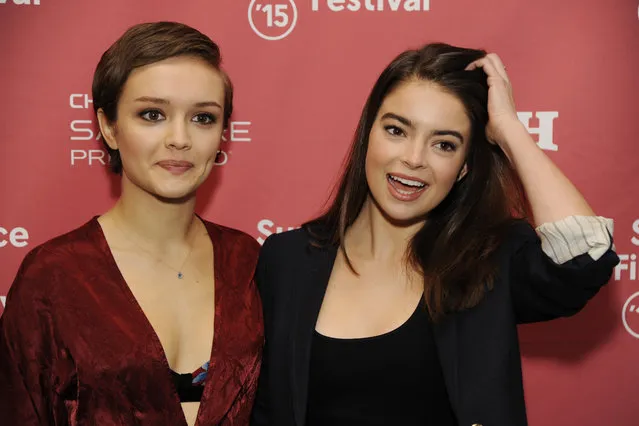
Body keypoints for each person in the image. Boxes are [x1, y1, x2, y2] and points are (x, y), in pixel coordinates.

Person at [250, 43, 619, 426]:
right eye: (396, 130)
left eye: (444, 144)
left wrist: (509, 130)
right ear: (368, 136)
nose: (414, 158)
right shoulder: (286, 260)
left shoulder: (490, 260)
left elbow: (585, 257)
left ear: (463, 168)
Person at [0, 22, 263, 426]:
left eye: (203, 118)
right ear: (108, 126)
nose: (180, 138)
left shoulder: (250, 262)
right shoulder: (52, 277)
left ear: (223, 133)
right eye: (152, 114)